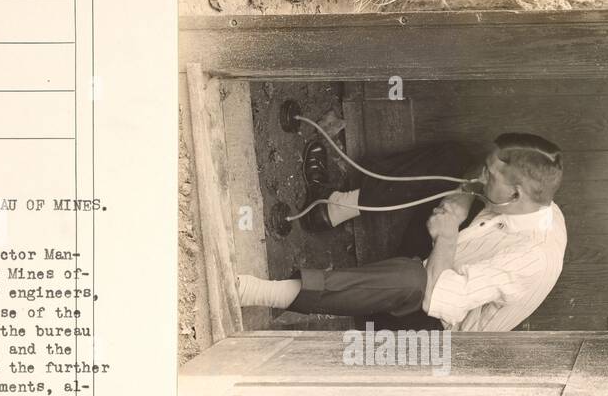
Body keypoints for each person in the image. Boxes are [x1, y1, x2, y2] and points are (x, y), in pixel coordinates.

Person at [235, 132, 567, 332]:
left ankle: (258, 294)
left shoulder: (531, 258)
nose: (482, 175)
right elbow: (473, 175)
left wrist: (447, 235)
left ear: (516, 194)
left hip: (426, 329)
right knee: (452, 157)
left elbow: (436, 296)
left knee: (411, 278)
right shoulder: (534, 203)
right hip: (433, 265)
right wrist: (465, 196)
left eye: (491, 175)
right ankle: (331, 209)